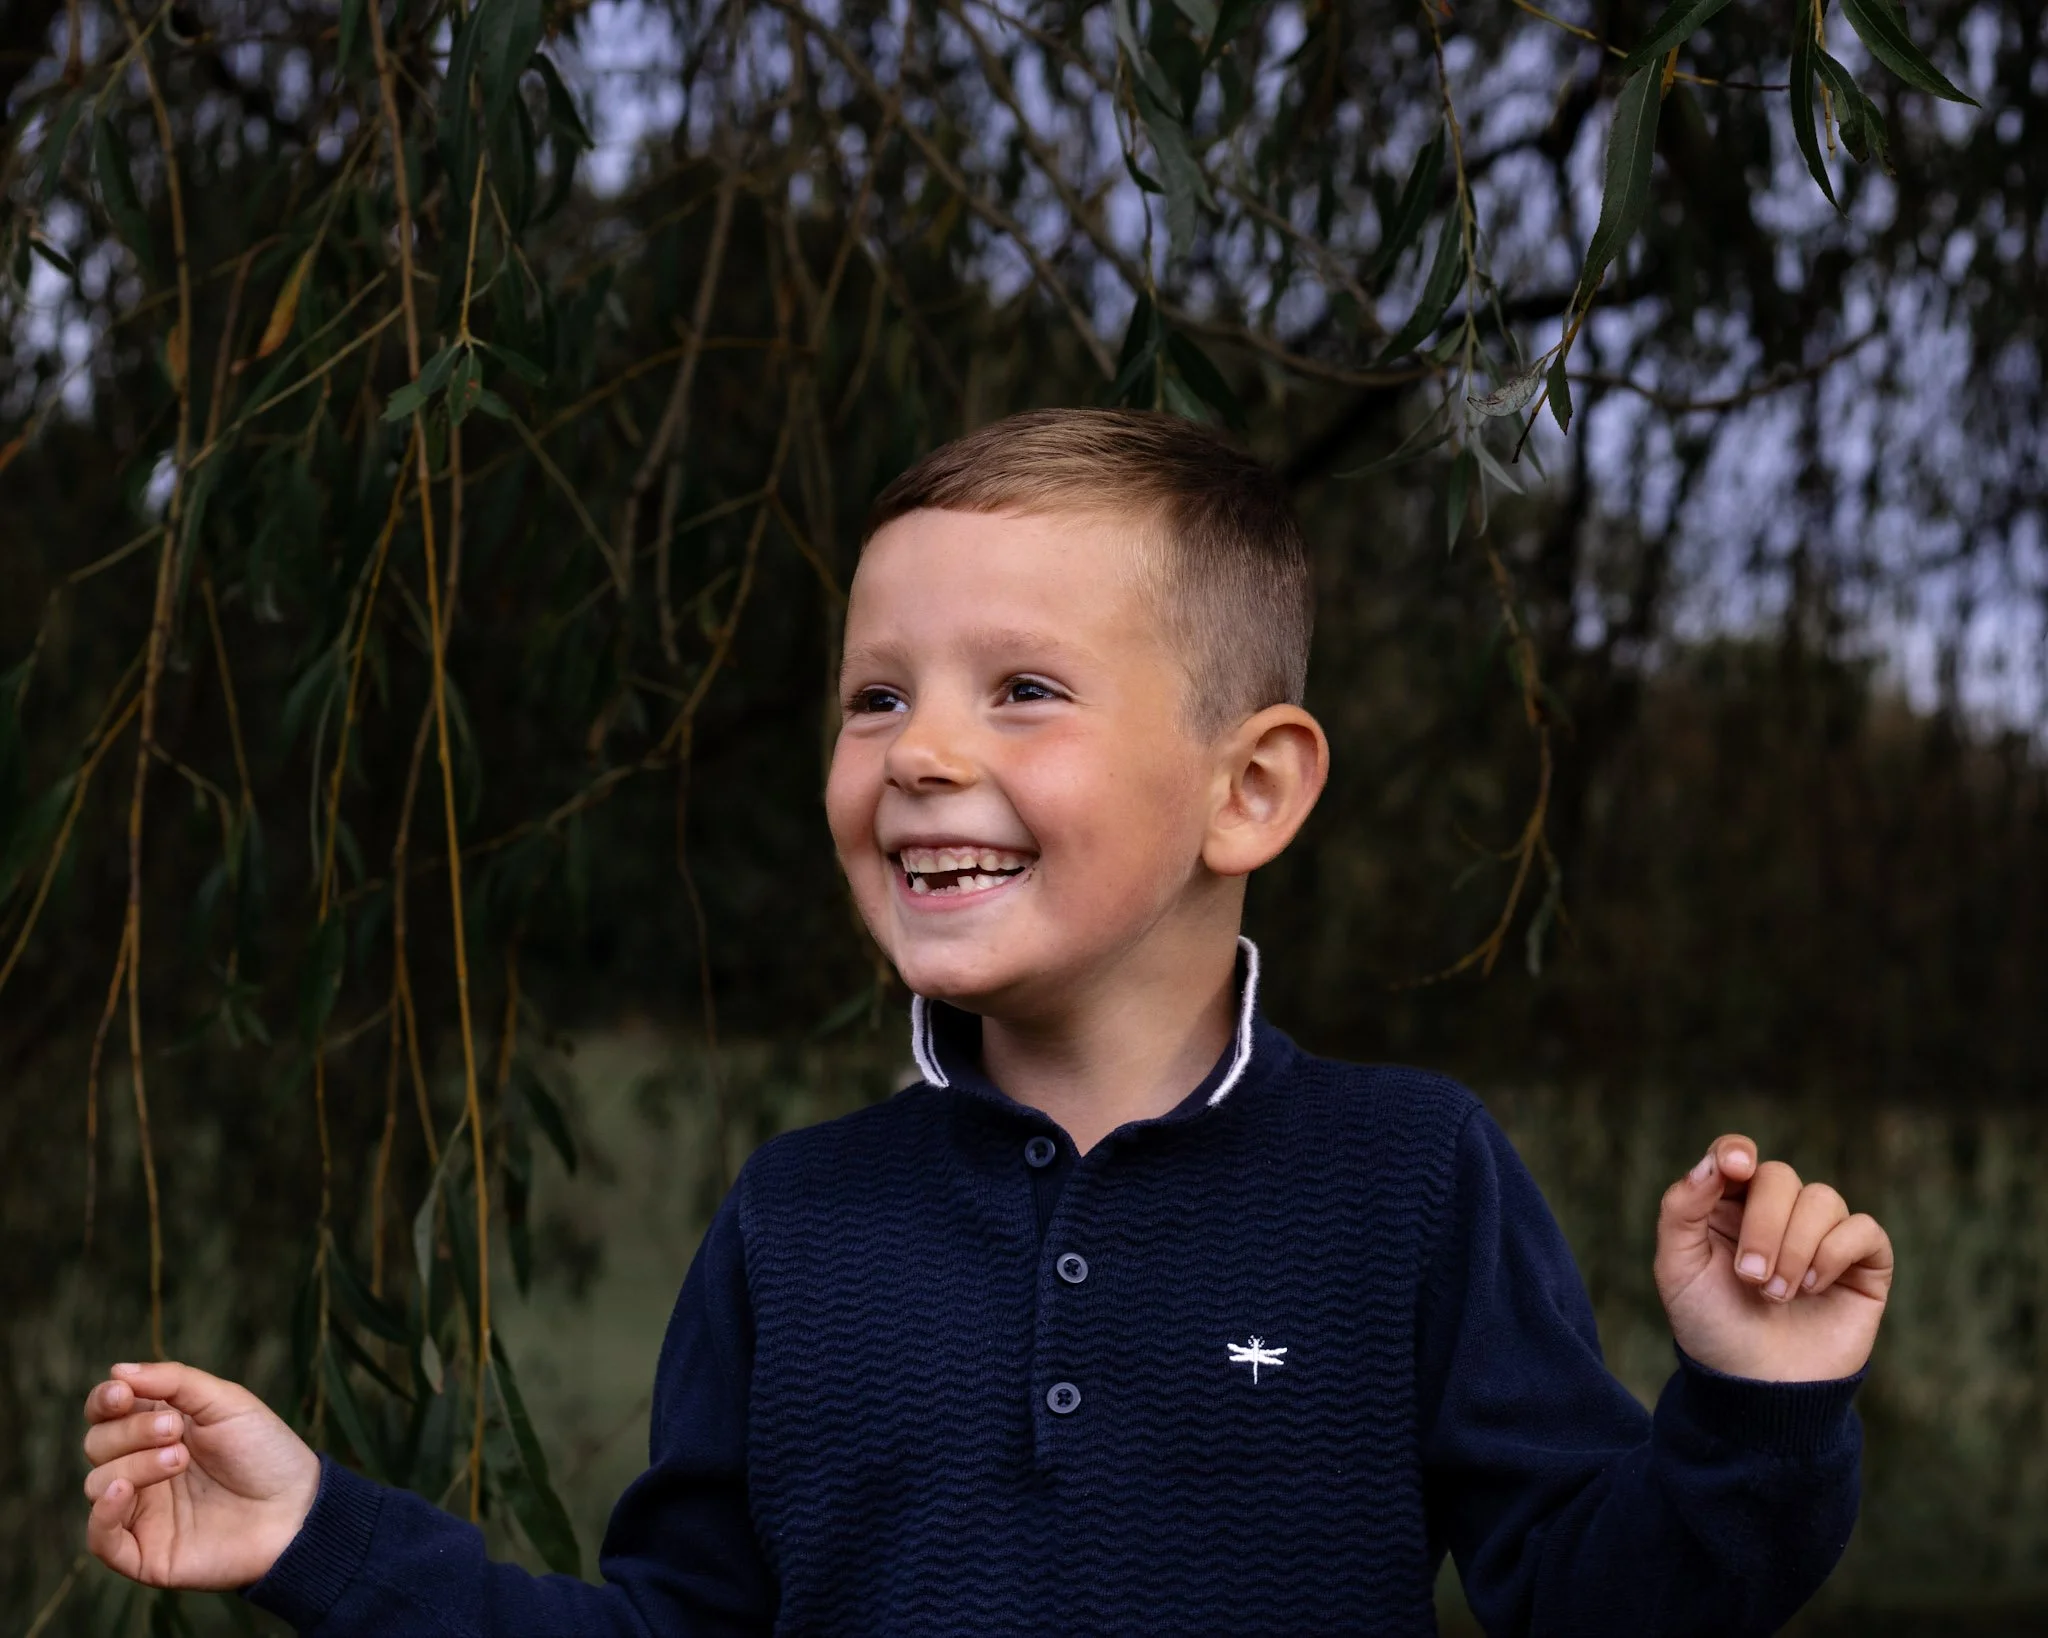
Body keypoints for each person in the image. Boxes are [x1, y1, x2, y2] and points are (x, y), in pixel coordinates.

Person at [79, 408, 1894, 1636]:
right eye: (877, 697)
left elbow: (1606, 1597)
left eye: (1023, 689)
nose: (922, 751)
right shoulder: (799, 1222)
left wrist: (1757, 1402)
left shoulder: (1407, 1180)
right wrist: (319, 1530)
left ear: (1247, 792)